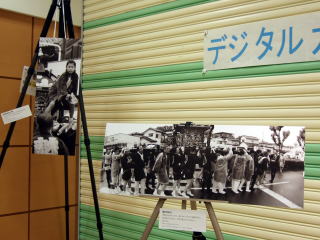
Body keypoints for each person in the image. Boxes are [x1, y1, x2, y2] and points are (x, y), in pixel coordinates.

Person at [45, 60, 79, 124]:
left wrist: (73, 95)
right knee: (53, 103)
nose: (70, 68)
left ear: (74, 68)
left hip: (65, 92)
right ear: (66, 67)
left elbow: (75, 87)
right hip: (56, 91)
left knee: (72, 101)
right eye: (69, 67)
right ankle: (44, 117)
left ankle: (71, 119)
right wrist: (66, 94)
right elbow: (61, 88)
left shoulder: (75, 76)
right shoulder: (63, 76)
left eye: (72, 67)